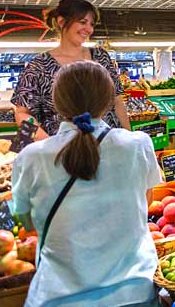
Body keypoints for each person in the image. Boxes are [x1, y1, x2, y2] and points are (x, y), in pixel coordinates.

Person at [11, 61, 162, 306]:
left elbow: (25, 223)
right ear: (108, 102)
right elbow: (146, 203)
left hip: (57, 296)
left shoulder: (29, 158)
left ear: (57, 103)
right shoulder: (138, 145)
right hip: (134, 292)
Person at [12, 0, 130, 140]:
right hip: (63, 153)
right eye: (83, 22)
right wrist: (47, 144)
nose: (89, 29)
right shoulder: (38, 67)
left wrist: (128, 138)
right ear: (61, 22)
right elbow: (22, 113)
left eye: (92, 24)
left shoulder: (101, 57)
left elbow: (117, 101)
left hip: (108, 145)